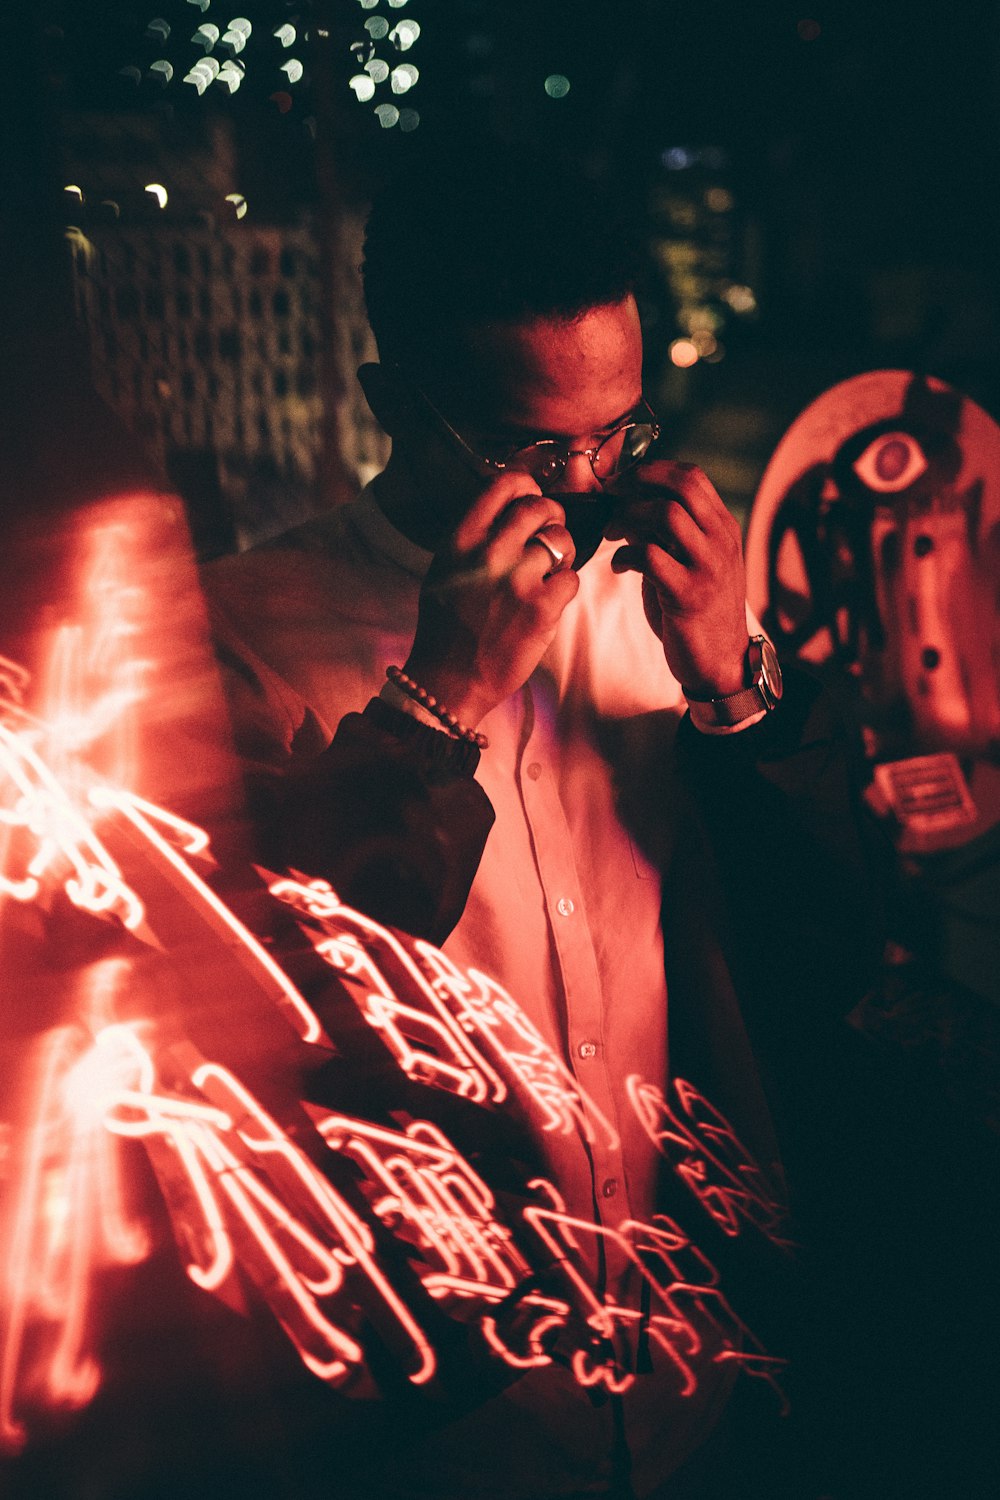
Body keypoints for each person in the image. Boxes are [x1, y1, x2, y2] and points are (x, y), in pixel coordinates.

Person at [202, 140, 884, 1499]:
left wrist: (738, 686)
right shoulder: (247, 628)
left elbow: (827, 942)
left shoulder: (667, 596)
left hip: (697, 1364)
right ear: (393, 396)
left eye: (621, 433)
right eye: (531, 447)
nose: (587, 486)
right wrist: (438, 697)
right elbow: (269, 1002)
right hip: (441, 1412)